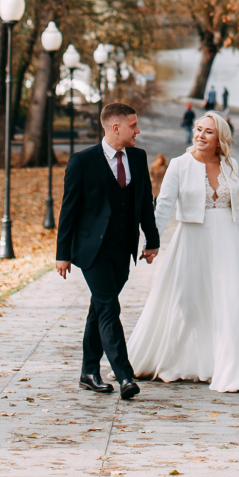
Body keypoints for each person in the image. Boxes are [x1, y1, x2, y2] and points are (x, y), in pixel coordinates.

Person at [128, 112, 239, 392]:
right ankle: (181, 360)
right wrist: (152, 242)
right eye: (198, 129)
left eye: (208, 132)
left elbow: (235, 208)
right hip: (192, 239)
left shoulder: (231, 165)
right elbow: (164, 206)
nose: (200, 135)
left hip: (227, 241)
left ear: (220, 139)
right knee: (187, 302)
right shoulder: (179, 165)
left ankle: (236, 369)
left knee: (234, 302)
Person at [55, 102, 160, 400]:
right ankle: (125, 375)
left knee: (100, 307)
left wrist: (151, 241)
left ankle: (88, 372)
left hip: (122, 249)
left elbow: (144, 204)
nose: (138, 131)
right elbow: (69, 211)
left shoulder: (138, 158)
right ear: (115, 127)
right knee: (109, 307)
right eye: (133, 126)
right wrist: (62, 254)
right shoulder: (82, 161)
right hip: (92, 250)